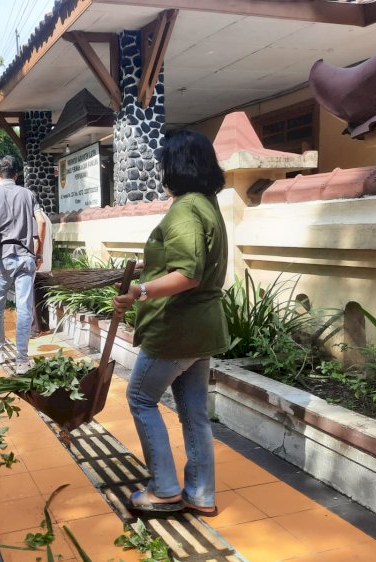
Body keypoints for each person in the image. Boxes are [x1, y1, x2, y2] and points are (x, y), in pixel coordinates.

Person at [112, 129, 229, 517]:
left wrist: (139, 292)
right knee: (193, 411)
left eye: (164, 165)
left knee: (140, 398)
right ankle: (201, 493)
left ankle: (164, 489)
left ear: (176, 167)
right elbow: (192, 261)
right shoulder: (209, 204)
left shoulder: (185, 208)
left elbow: (188, 273)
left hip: (177, 328)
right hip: (202, 330)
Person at [0, 155, 47, 374]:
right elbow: (42, 222)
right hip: (26, 258)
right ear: (17, 175)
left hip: (1, 257)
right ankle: (21, 360)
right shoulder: (28, 194)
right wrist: (39, 252)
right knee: (24, 307)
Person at [31, 211, 53, 335]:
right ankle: (45, 327)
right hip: (46, 265)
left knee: (34, 299)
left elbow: (35, 240)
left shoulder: (36, 218)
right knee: (43, 298)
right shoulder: (46, 217)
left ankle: (35, 329)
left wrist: (35, 258)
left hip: (37, 265)